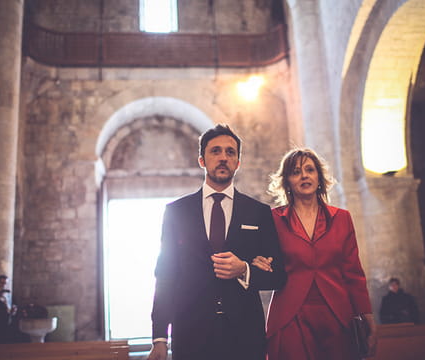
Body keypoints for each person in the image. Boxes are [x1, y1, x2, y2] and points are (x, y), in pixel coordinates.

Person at [147, 124, 287, 360]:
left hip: (245, 335)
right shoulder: (176, 212)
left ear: (238, 163)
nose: (223, 157)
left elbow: (278, 276)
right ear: (202, 160)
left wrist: (244, 269)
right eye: (216, 151)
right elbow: (165, 275)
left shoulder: (259, 213)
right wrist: (160, 337)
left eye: (230, 152)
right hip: (190, 334)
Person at [252, 148, 377, 359]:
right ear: (287, 182)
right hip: (290, 315)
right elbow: (260, 256)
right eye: (296, 172)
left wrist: (368, 317)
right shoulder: (273, 219)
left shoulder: (342, 218)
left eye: (310, 170)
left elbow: (354, 273)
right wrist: (257, 260)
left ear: (319, 177)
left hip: (337, 314)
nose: (304, 176)